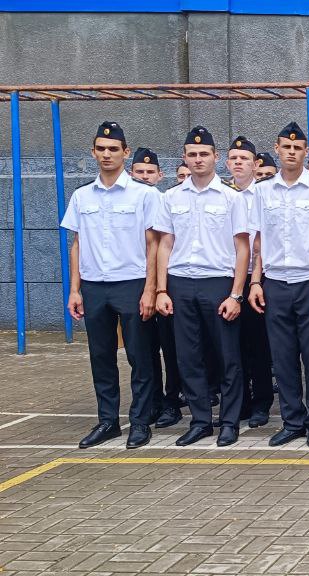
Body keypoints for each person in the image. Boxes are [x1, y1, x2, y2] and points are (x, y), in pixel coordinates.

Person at [63, 121, 162, 450]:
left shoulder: (144, 194)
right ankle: (108, 421)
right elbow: (77, 244)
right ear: (93, 152)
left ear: (125, 152)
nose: (107, 154)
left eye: (113, 149)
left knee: (139, 356)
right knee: (101, 356)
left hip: (131, 284)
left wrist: (150, 289)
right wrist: (74, 290)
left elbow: (153, 245)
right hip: (94, 286)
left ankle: (140, 421)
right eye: (101, 149)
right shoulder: (81, 196)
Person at [153, 126, 251, 447]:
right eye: (192, 154)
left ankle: (229, 422)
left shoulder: (231, 197)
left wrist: (236, 294)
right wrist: (161, 290)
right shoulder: (170, 197)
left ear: (215, 157)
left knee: (227, 357)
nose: (198, 159)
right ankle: (200, 421)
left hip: (218, 284)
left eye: (204, 154)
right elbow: (165, 244)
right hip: (180, 283)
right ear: (184, 157)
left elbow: (242, 249)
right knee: (188, 357)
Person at [247, 122, 309, 448]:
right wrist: (255, 282)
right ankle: (292, 421)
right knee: (283, 356)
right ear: (276, 149)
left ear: (304, 152)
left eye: (297, 148)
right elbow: (259, 241)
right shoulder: (262, 191)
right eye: (286, 147)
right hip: (275, 282)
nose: (291, 152)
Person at [129, 147, 183, 429]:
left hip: (164, 284)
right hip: (135, 282)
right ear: (131, 173)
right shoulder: (129, 200)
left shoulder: (166, 201)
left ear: (160, 175)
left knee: (170, 347)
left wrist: (160, 288)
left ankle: (172, 402)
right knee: (144, 348)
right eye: (140, 172)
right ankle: (151, 402)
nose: (145, 176)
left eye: (150, 172)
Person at [226, 137, 273, 428]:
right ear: (227, 163)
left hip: (258, 278)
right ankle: (239, 403)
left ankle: (262, 402)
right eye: (234, 158)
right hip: (229, 277)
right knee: (232, 345)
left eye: (244, 158)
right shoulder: (222, 194)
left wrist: (256, 279)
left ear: (255, 164)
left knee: (258, 344)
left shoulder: (265, 195)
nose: (239, 163)